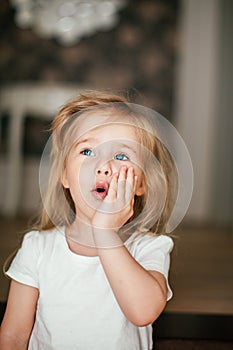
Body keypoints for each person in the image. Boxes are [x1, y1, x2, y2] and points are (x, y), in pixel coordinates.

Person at [0, 91, 179, 350]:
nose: (103, 166)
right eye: (87, 150)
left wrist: (104, 232)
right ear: (65, 176)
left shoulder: (149, 247)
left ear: (140, 183)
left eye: (120, 156)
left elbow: (143, 312)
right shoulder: (37, 247)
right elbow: (14, 335)